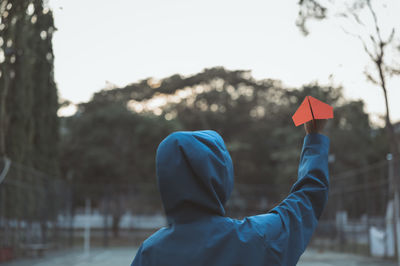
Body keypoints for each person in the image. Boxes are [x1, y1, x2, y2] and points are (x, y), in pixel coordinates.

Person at [131, 119, 330, 266]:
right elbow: (308, 199)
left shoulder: (150, 252)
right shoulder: (256, 239)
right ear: (221, 177)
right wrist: (314, 138)